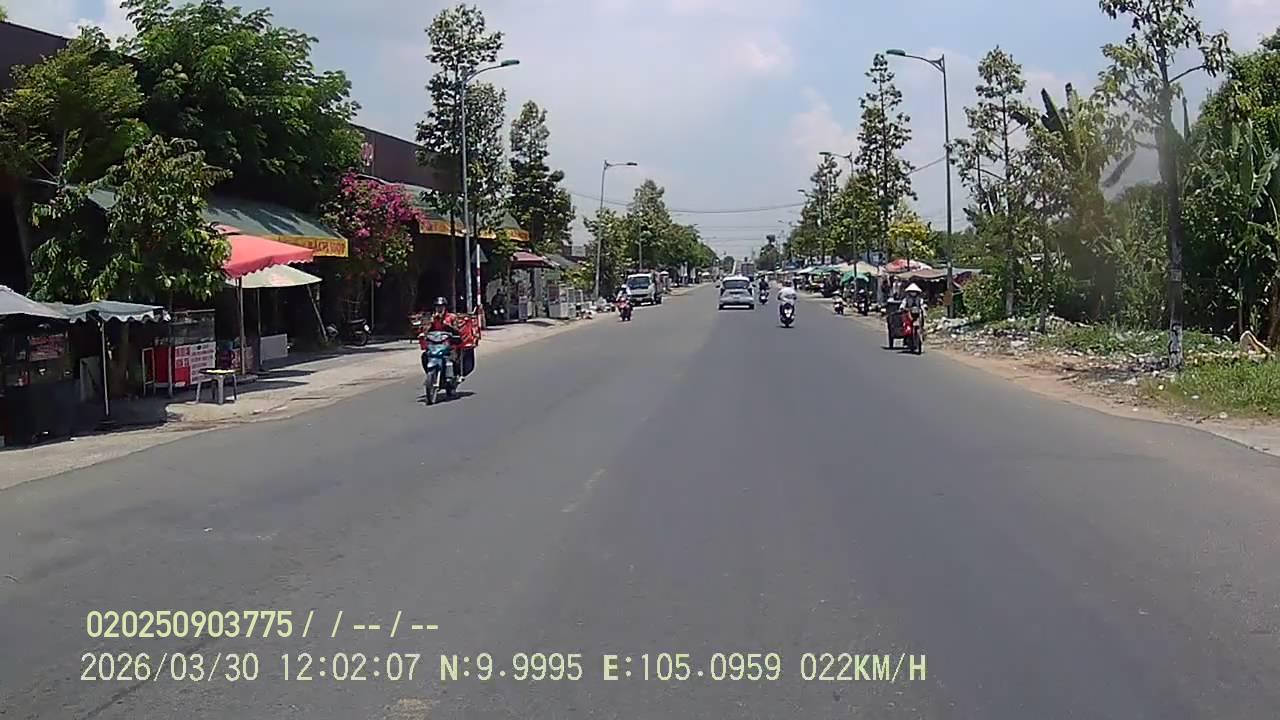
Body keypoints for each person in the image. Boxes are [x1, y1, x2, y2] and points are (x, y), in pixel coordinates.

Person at [420, 296, 463, 382]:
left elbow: (457, 330)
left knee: (454, 356)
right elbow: (427, 330)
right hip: (435, 343)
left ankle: (457, 375)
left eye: (441, 306)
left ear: (445, 307)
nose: (439, 309)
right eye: (437, 306)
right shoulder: (433, 318)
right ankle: (431, 374)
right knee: (425, 356)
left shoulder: (451, 317)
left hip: (448, 343)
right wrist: (424, 332)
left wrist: (448, 326)